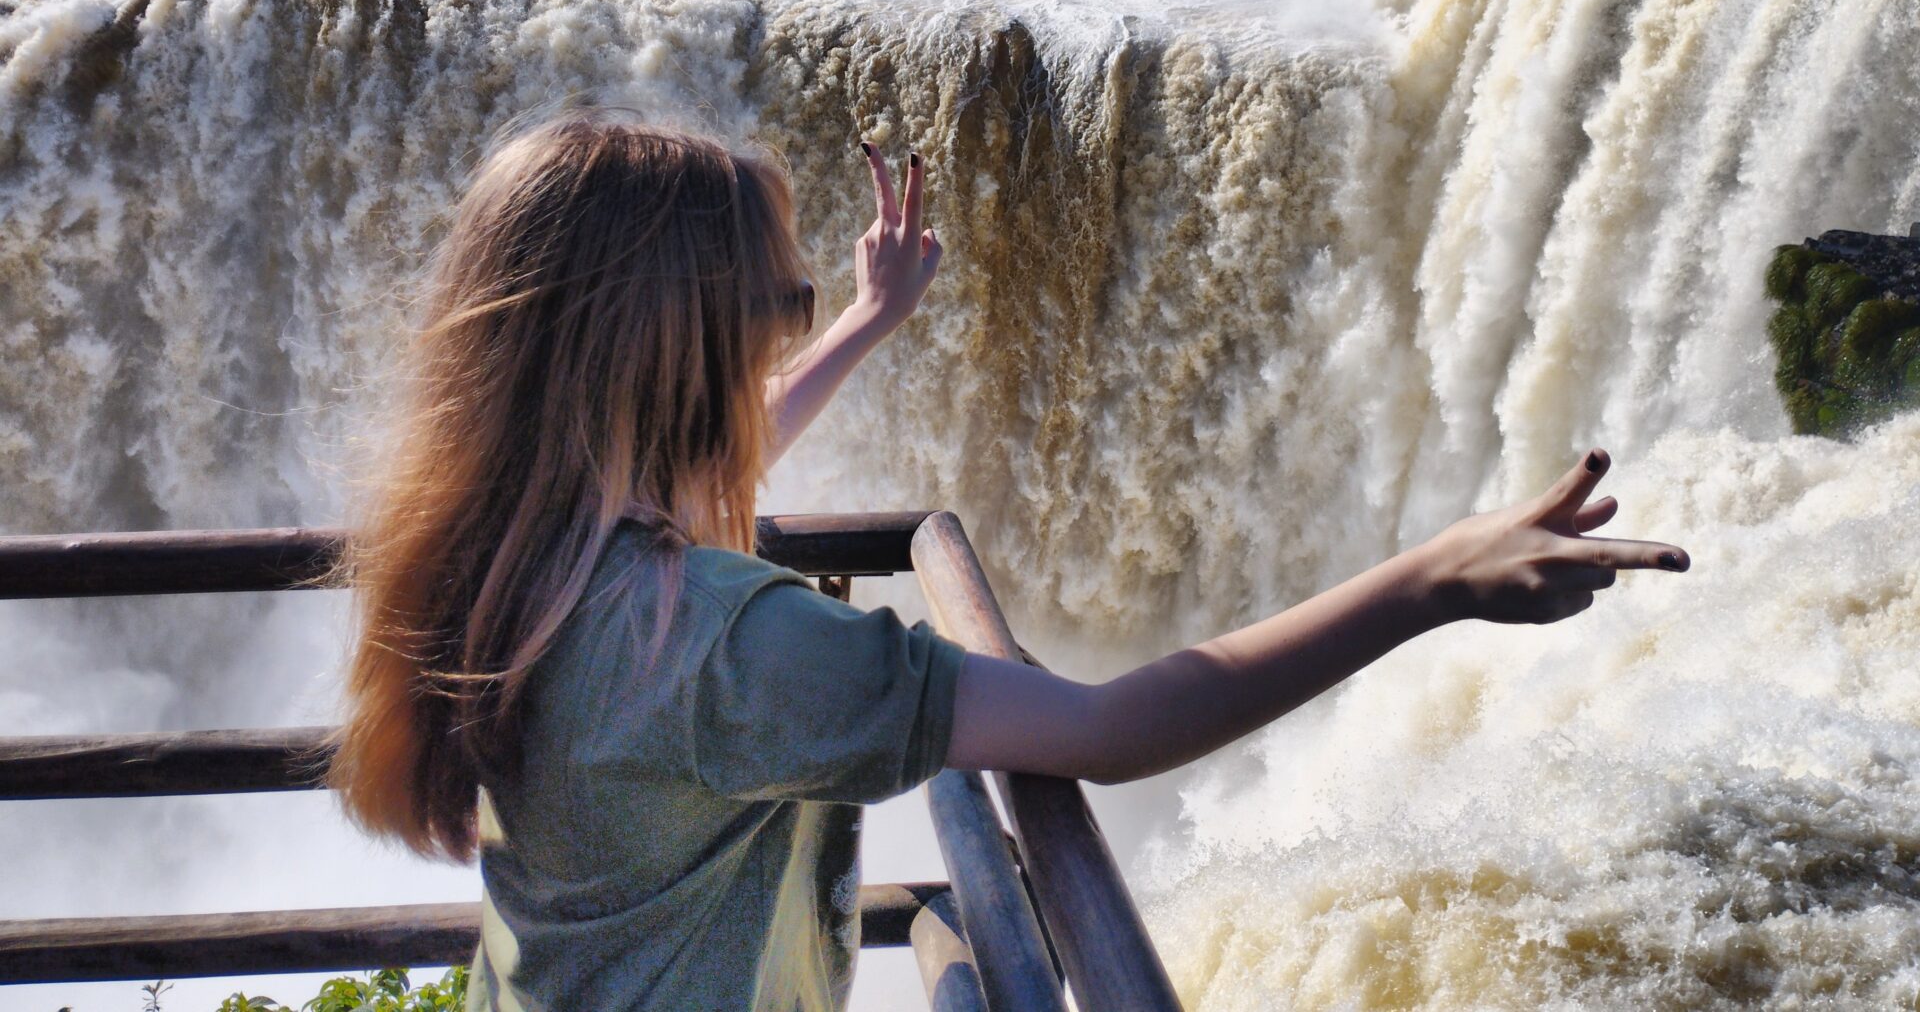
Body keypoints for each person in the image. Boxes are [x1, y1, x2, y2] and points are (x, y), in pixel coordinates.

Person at [330, 107, 1690, 1012]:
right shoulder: (739, 649)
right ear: (678, 349)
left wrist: (863, 322)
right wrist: (1429, 580)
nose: (787, 337)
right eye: (785, 306)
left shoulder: (510, 554)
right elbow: (1110, 728)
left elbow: (703, 470)